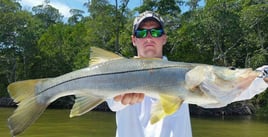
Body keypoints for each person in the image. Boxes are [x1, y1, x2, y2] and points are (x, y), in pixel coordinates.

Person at [107, 11, 268, 137]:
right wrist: (119, 99)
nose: (149, 37)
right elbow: (113, 103)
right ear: (134, 40)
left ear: (164, 38)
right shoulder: (114, 71)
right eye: (142, 33)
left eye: (155, 32)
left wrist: (263, 76)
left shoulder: (187, 74)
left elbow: (229, 90)